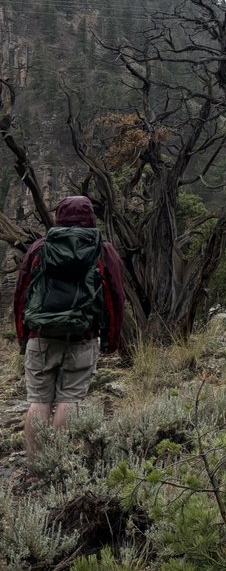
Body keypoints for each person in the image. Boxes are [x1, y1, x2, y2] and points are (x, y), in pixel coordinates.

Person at [13, 196, 125, 457]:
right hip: (83, 336)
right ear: (91, 218)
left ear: (59, 217)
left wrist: (23, 336)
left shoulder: (40, 248)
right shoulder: (103, 250)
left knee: (38, 401)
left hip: (40, 335)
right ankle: (58, 462)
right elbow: (115, 297)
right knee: (70, 400)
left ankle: (35, 465)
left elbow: (22, 295)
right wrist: (111, 340)